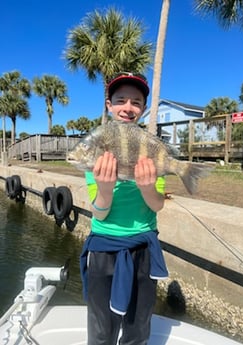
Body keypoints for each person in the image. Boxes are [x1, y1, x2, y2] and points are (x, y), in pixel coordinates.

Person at [80, 72, 168, 345]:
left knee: (138, 327)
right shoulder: (99, 145)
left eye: (136, 102)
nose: (128, 107)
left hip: (143, 248)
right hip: (104, 249)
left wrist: (147, 187)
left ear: (143, 109)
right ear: (109, 104)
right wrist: (104, 188)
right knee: (101, 329)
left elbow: (157, 205)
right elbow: (100, 212)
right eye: (121, 100)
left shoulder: (150, 147)